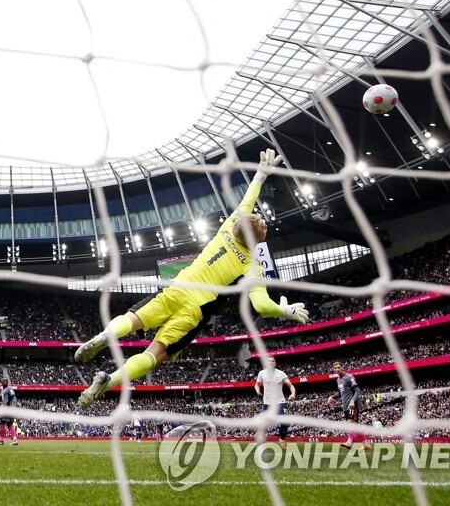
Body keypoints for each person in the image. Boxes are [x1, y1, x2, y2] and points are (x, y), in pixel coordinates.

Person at [75, 150, 309, 408]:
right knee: (155, 354)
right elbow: (262, 306)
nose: (261, 218)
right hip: (195, 311)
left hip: (177, 288)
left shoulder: (229, 225)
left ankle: (105, 335)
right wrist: (285, 310)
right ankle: (109, 381)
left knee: (132, 319)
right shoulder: (252, 264)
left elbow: (248, 199)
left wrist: (261, 174)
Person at [327, 361, 370, 450]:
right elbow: (340, 393)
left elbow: (357, 391)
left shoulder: (349, 377)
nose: (337, 369)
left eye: (339, 367)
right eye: (335, 368)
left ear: (343, 368)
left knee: (350, 423)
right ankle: (366, 444)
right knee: (355, 425)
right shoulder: (338, 380)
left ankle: (349, 442)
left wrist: (353, 401)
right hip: (346, 405)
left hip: (353, 405)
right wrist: (332, 397)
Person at [254, 356, 295, 448]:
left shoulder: (281, 373)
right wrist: (257, 390)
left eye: (273, 361)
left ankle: (282, 439)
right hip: (267, 403)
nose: (271, 362)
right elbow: (257, 384)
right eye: (269, 361)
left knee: (285, 422)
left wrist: (293, 394)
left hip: (279, 402)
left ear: (275, 363)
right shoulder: (262, 373)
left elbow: (290, 385)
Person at [0, 379, 19, 446]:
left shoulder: (8, 389)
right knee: (10, 425)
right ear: (1, 383)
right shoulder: (4, 390)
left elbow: (12, 398)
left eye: (6, 381)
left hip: (8, 409)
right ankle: (15, 440)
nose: (4, 382)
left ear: (8, 383)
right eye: (3, 381)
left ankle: (1, 440)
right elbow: (0, 399)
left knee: (2, 423)